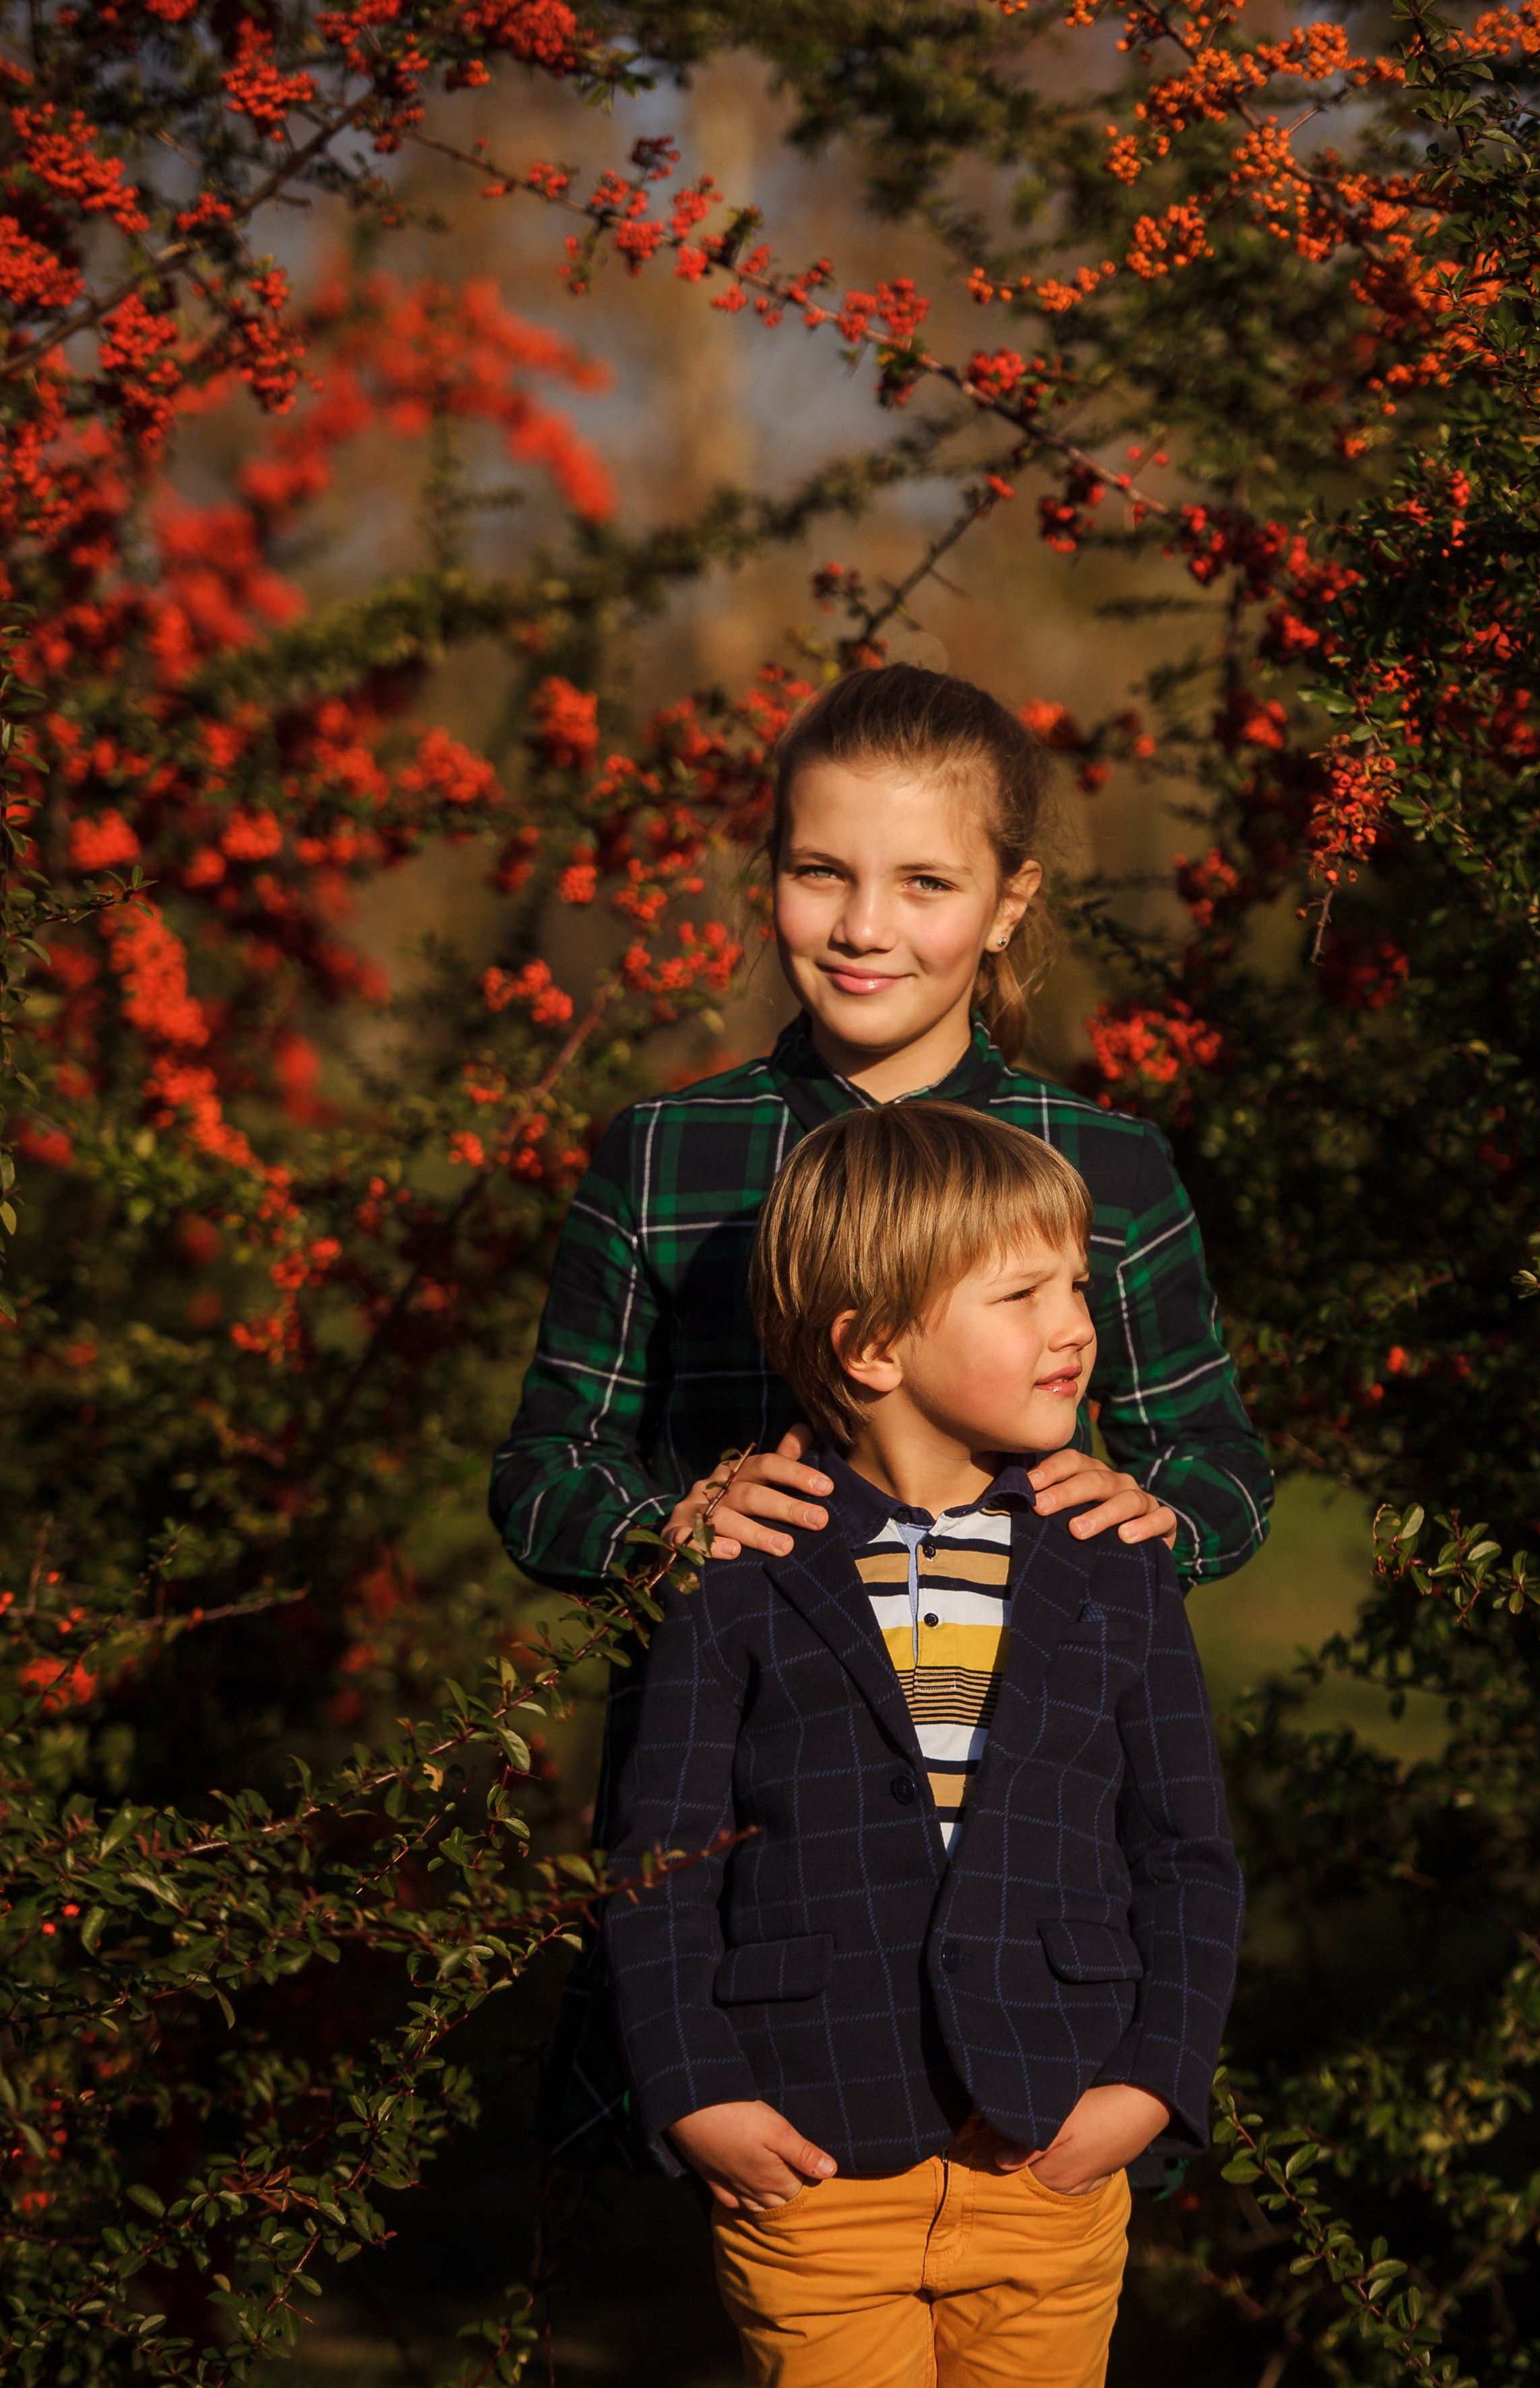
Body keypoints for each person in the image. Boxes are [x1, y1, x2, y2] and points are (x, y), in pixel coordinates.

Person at [489, 662, 1271, 2163]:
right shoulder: (668, 1153)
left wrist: (1168, 1513)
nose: (864, 926)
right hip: (759, 1853)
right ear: (769, 871)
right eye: (819, 872)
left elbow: (1218, 1456)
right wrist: (664, 1522)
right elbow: (542, 1470)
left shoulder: (1104, 1163)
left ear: (1010, 898)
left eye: (924, 881)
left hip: (1041, 1853)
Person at [602, 1103, 1244, 2388]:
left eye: (1076, 1283)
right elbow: (655, 1862)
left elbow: (1186, 1855)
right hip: (809, 2162)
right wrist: (693, 2093)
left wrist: (1154, 2085)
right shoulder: (737, 1566)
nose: (1074, 1325)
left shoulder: (1118, 1563)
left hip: (1051, 2152)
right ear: (875, 1344)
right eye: (1023, 1294)